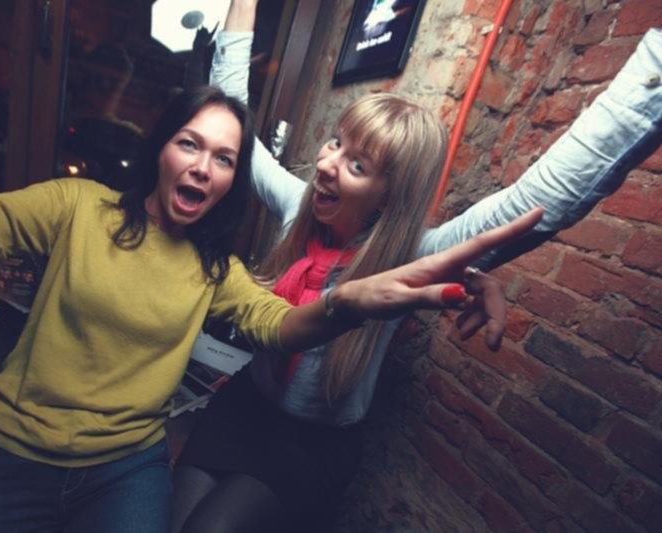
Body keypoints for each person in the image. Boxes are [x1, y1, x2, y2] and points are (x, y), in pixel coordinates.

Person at [0, 1, 541, 532]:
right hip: (11, 449)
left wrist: (346, 304)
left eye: (223, 158)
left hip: (123, 466)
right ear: (161, 148)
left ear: (231, 179)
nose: (202, 166)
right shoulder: (77, 207)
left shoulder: (216, 269)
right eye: (189, 144)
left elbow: (278, 323)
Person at [171, 2, 662, 532]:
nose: (326, 164)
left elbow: (538, 202)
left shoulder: (413, 255)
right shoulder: (298, 205)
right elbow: (236, 122)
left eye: (356, 164)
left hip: (307, 446)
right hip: (245, 405)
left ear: (388, 196)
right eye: (336, 143)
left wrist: (654, 69)